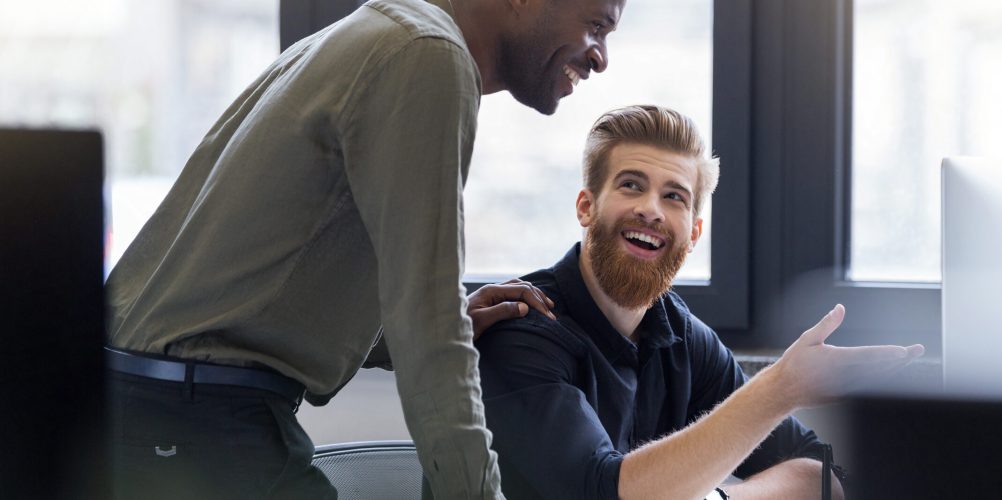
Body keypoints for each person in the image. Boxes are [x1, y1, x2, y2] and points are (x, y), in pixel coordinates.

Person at [104, 0, 625, 498]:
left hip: (160, 409)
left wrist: (424, 327)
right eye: (597, 25)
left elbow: (280, 273)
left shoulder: (386, 34)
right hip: (192, 418)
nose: (601, 57)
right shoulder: (429, 55)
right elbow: (429, 326)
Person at [475, 105, 925, 500]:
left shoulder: (682, 336)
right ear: (585, 207)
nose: (651, 209)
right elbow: (602, 492)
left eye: (674, 196)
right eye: (631, 185)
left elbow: (824, 477)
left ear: (693, 233)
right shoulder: (523, 328)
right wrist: (780, 388)